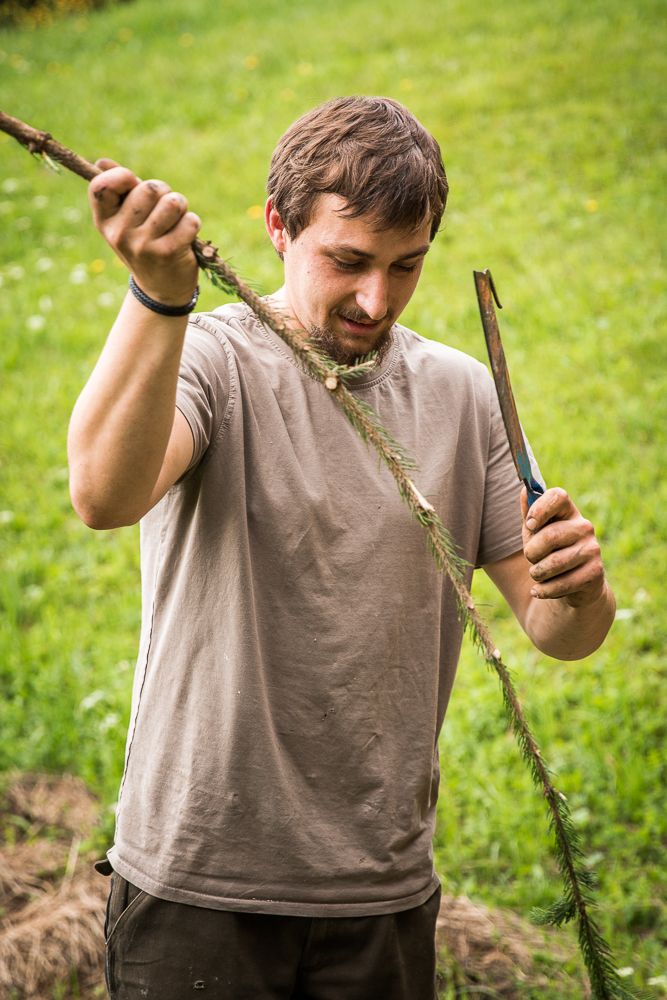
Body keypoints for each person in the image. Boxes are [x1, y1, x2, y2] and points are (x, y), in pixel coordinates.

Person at [68, 96, 615, 1000]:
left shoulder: (460, 393)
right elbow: (102, 493)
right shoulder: (211, 361)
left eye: (407, 267)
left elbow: (559, 631)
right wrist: (157, 298)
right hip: (202, 878)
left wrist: (577, 586)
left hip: (381, 885)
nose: (376, 300)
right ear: (278, 227)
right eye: (348, 262)